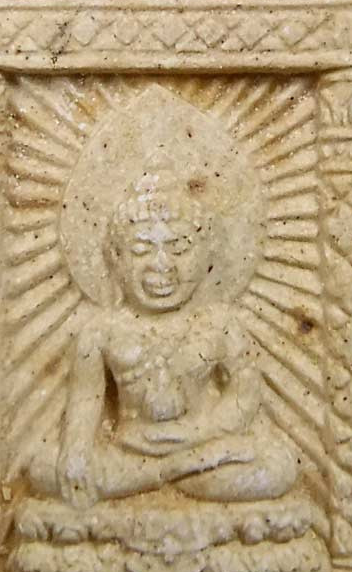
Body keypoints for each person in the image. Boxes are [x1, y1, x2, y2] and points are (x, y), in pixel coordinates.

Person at [47, 165, 298, 509]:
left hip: (202, 447)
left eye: (180, 248)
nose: (161, 265)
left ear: (207, 257)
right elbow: (86, 399)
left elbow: (245, 391)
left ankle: (164, 473)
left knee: (279, 466)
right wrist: (75, 450)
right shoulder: (101, 331)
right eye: (141, 250)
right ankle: (165, 474)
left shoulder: (219, 324)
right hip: (127, 452)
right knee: (43, 467)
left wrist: (204, 431)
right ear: (116, 257)